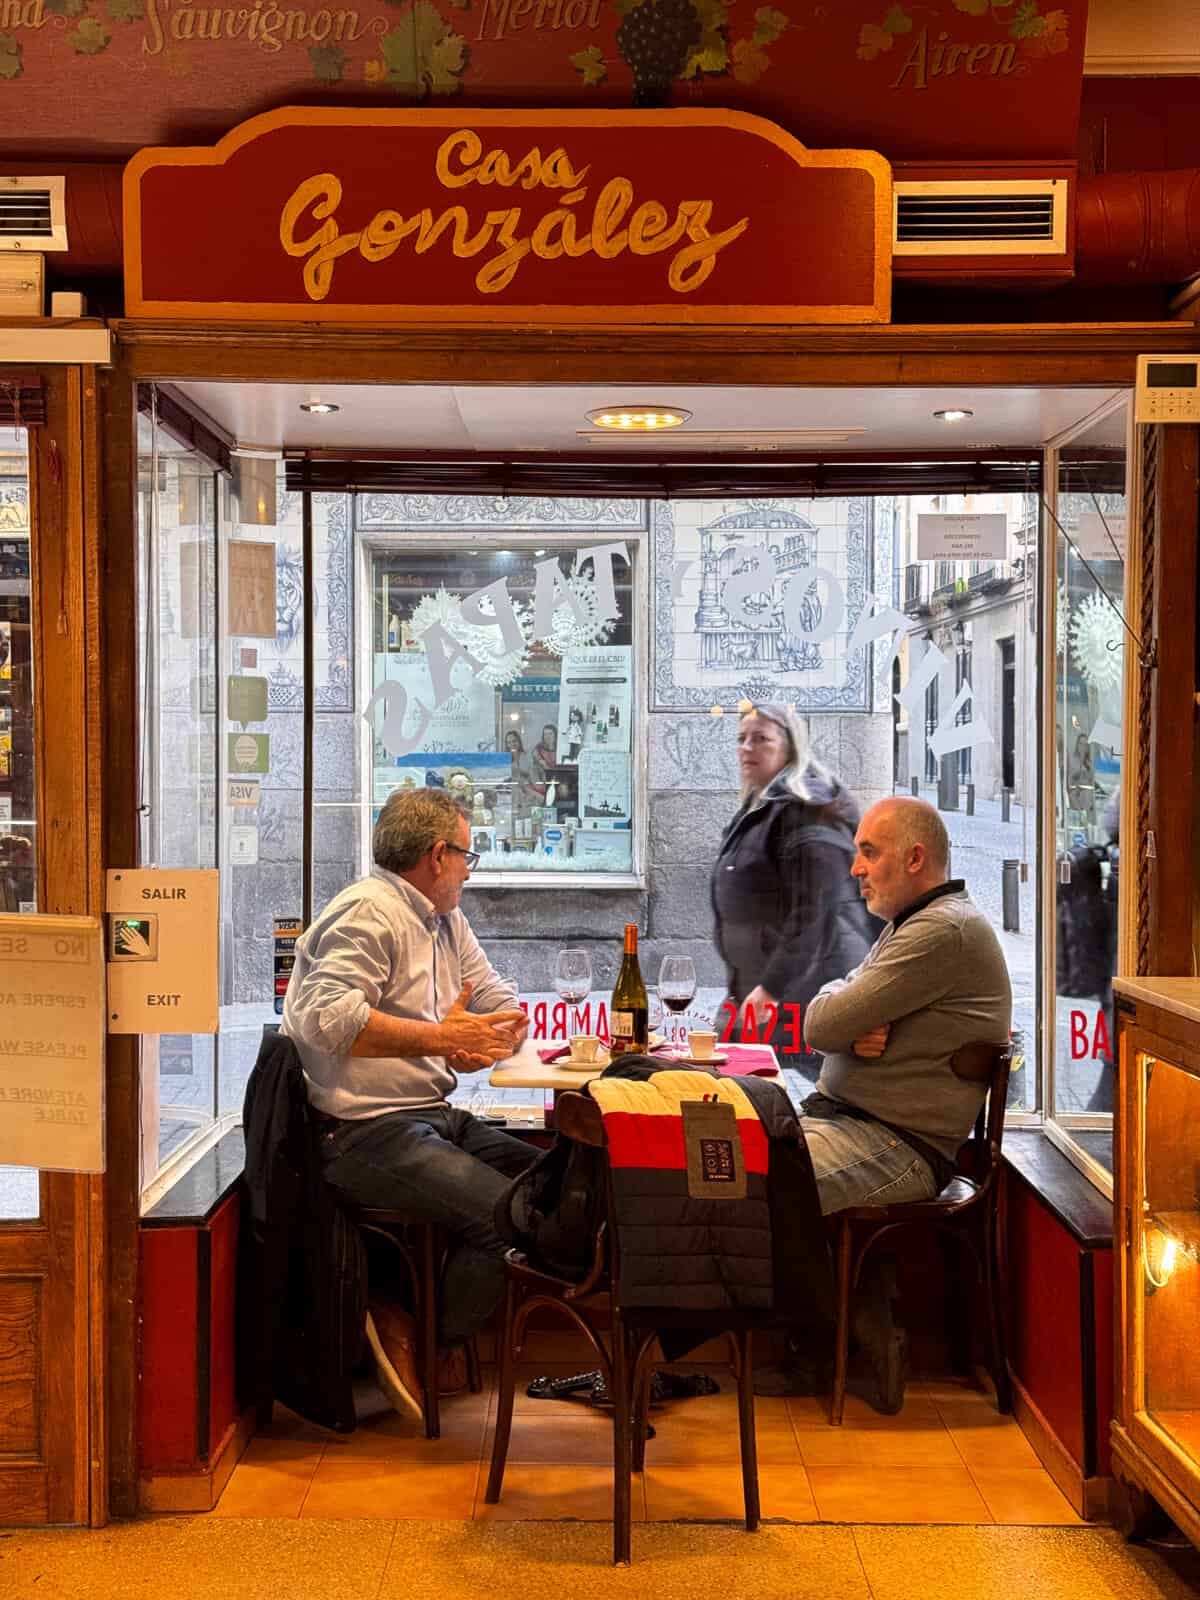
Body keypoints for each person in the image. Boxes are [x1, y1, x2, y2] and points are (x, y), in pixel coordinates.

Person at [281, 786, 532, 1421]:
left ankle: (415, 1326)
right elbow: (323, 1018)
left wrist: (491, 1038)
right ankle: (421, 1336)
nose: (470, 873)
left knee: (549, 1189)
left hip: (431, 1116)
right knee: (507, 1216)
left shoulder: (446, 919)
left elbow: (499, 1000)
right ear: (439, 855)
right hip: (360, 1131)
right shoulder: (370, 913)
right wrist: (446, 1038)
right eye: (469, 857)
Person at [760, 796, 1012, 1410]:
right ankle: (845, 1312)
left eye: (869, 852)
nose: (855, 868)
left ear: (915, 857)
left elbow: (820, 1025)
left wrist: (845, 1018)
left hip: (897, 1145)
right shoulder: (914, 921)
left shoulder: (941, 930)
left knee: (757, 1185)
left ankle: (845, 1325)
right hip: (851, 1125)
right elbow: (838, 1009)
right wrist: (848, 1015)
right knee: (736, 1148)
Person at [711, 703, 879, 1078]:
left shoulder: (807, 808)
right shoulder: (768, 803)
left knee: (732, 1082)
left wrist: (771, 987)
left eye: (761, 739)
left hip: (808, 986)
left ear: (790, 748)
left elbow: (814, 909)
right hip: (769, 984)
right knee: (733, 1081)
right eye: (741, 739)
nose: (747, 748)